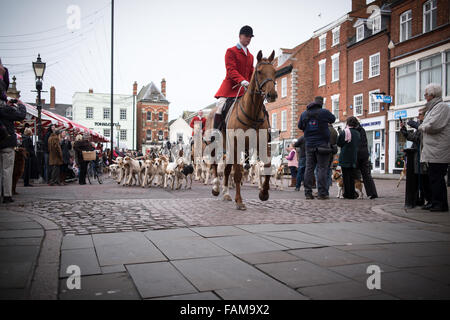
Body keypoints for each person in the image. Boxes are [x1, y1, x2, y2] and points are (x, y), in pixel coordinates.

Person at [213, 25, 255, 130]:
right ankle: (216, 134)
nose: (248, 39)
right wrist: (242, 81)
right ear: (240, 36)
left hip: (244, 89)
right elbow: (231, 70)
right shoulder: (231, 51)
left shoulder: (251, 56)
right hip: (230, 88)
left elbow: (251, 72)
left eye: (250, 37)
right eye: (246, 36)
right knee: (220, 107)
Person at [418, 83, 450, 212]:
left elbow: (433, 126)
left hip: (439, 150)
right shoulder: (432, 108)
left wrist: (420, 126)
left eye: (426, 94)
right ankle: (434, 201)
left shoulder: (442, 107)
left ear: (432, 95)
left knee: (437, 178)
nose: (425, 97)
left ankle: (440, 204)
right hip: (432, 150)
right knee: (432, 178)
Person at [298, 96, 336, 200]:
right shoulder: (324, 112)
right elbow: (333, 119)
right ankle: (322, 193)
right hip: (323, 145)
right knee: (322, 169)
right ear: (321, 103)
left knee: (309, 169)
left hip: (309, 145)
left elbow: (300, 126)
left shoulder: (304, 114)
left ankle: (308, 193)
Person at [0, 62, 26, 203]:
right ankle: (7, 195)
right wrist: (20, 105)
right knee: (7, 169)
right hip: (7, 141)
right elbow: (21, 115)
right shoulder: (6, 109)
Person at [400, 108, 431, 208]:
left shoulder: (424, 126)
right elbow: (413, 137)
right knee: (421, 179)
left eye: (420, 114)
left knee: (424, 180)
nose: (418, 116)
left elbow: (416, 138)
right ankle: (422, 199)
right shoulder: (420, 127)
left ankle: (428, 199)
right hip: (418, 156)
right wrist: (404, 130)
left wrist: (408, 127)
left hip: (423, 156)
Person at [337, 117, 361, 199]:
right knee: (351, 177)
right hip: (353, 157)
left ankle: (347, 194)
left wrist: (340, 133)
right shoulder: (357, 133)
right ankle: (352, 193)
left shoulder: (345, 132)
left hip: (345, 157)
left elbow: (339, 143)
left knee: (346, 176)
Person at [353, 119, 378, 199]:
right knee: (366, 175)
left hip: (357, 155)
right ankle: (372, 193)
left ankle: (355, 193)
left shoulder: (353, 131)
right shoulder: (362, 129)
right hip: (364, 155)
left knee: (355, 175)